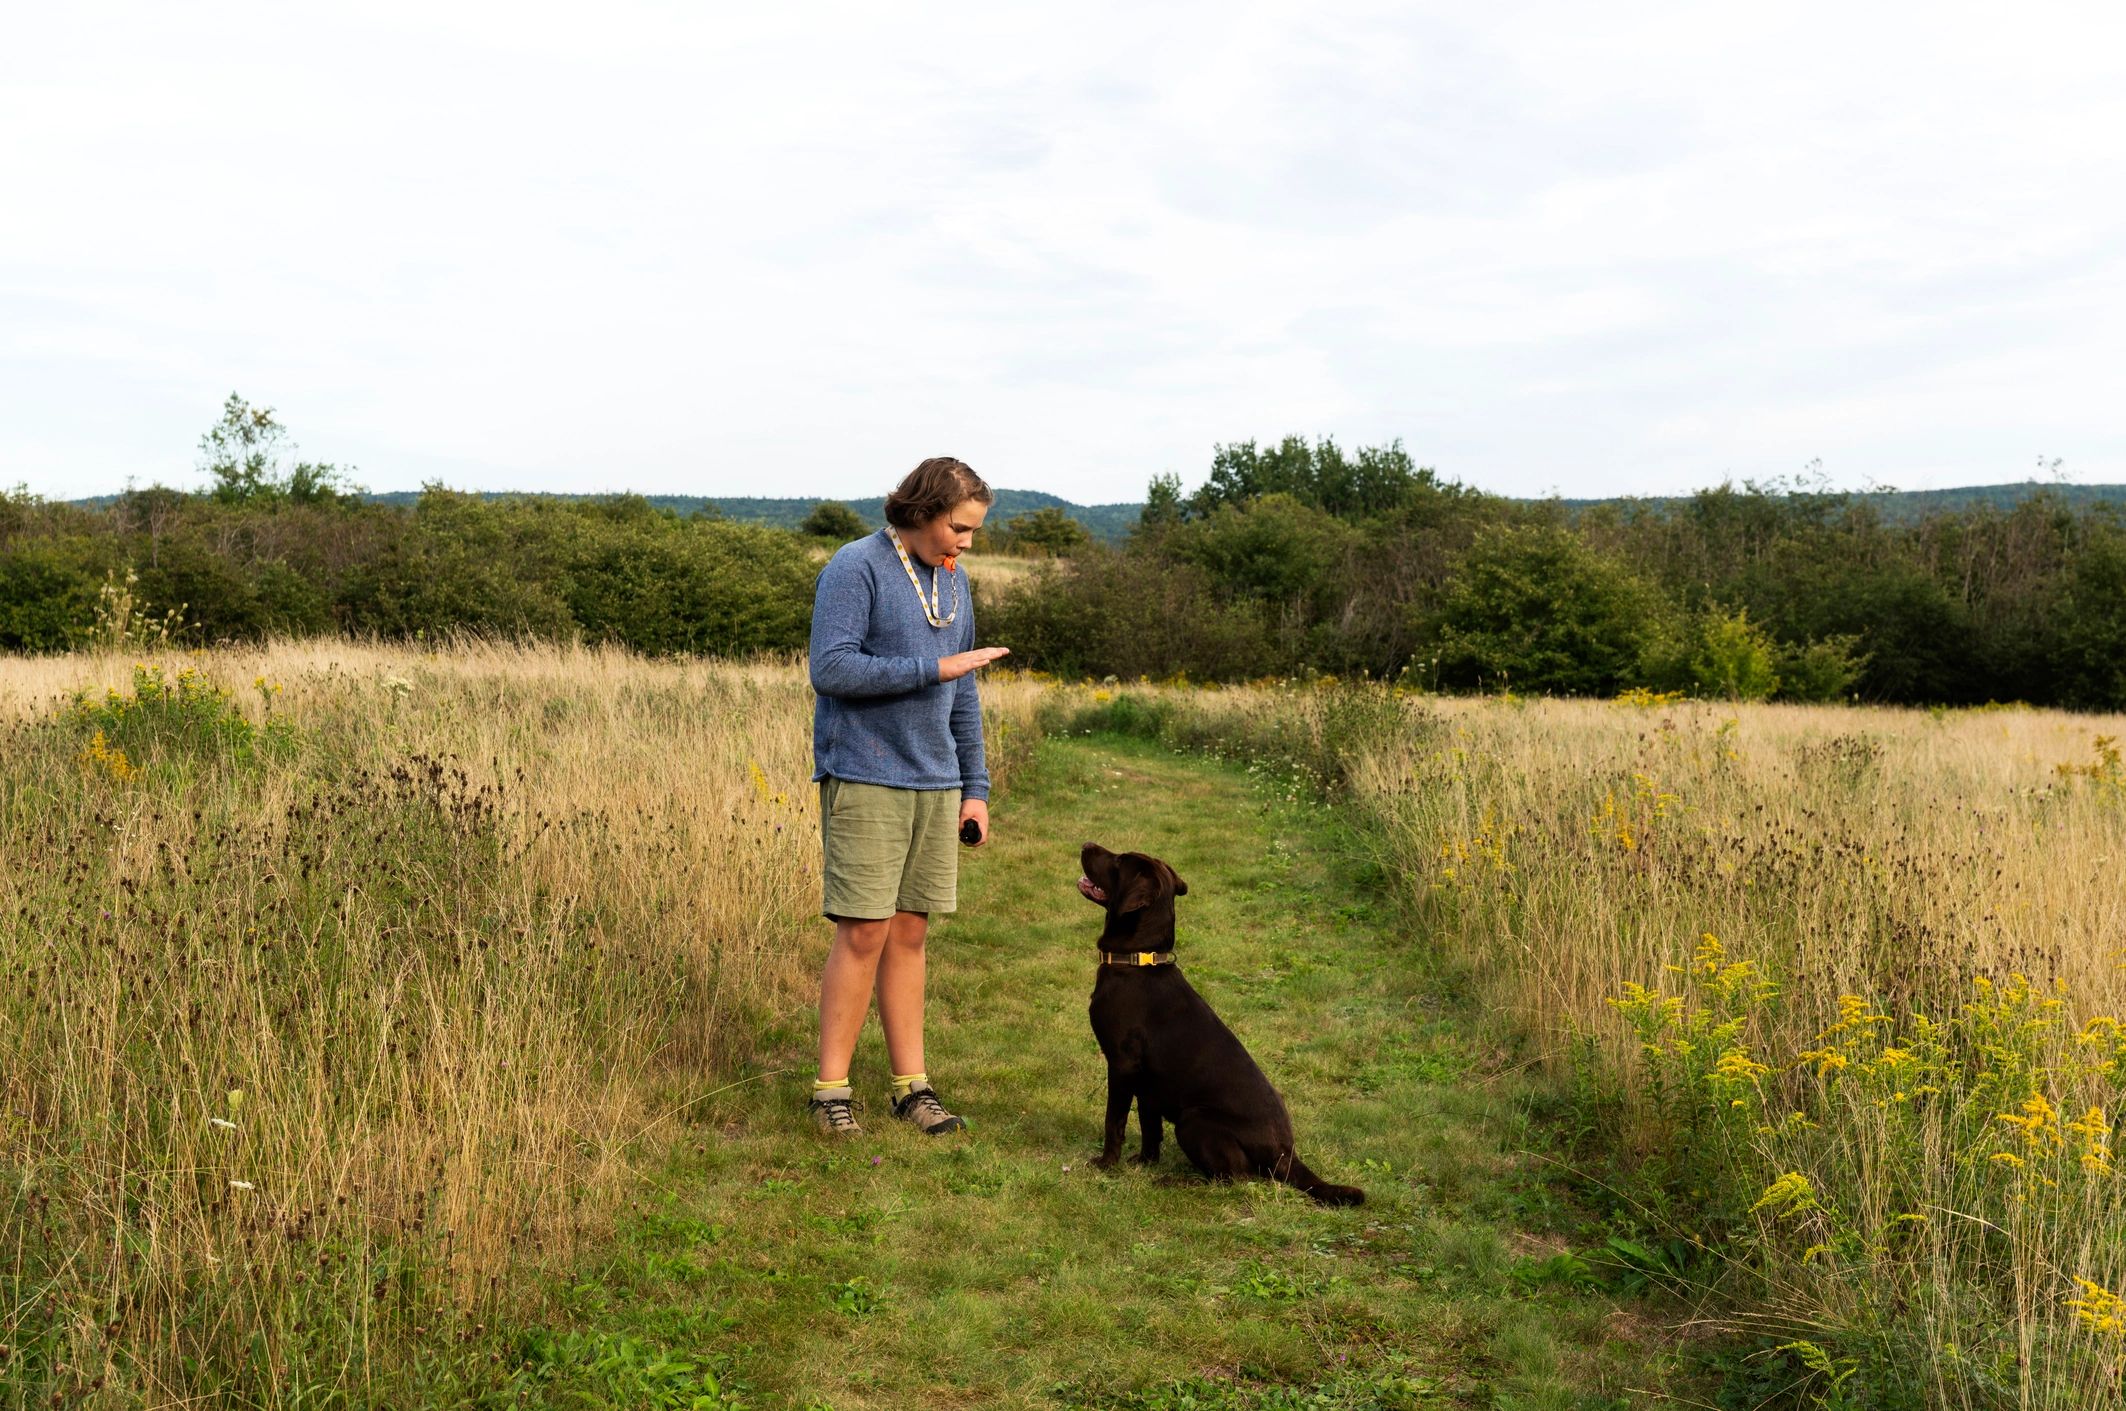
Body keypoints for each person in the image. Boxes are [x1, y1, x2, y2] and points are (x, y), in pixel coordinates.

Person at [806, 456, 1010, 1136]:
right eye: (960, 527)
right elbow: (831, 668)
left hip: (936, 780)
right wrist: (934, 667)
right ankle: (830, 1090)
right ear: (922, 511)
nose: (967, 543)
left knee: (910, 933)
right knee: (863, 930)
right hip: (865, 774)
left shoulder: (954, 584)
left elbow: (964, 692)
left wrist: (974, 789)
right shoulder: (854, 566)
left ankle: (910, 1087)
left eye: (974, 531)